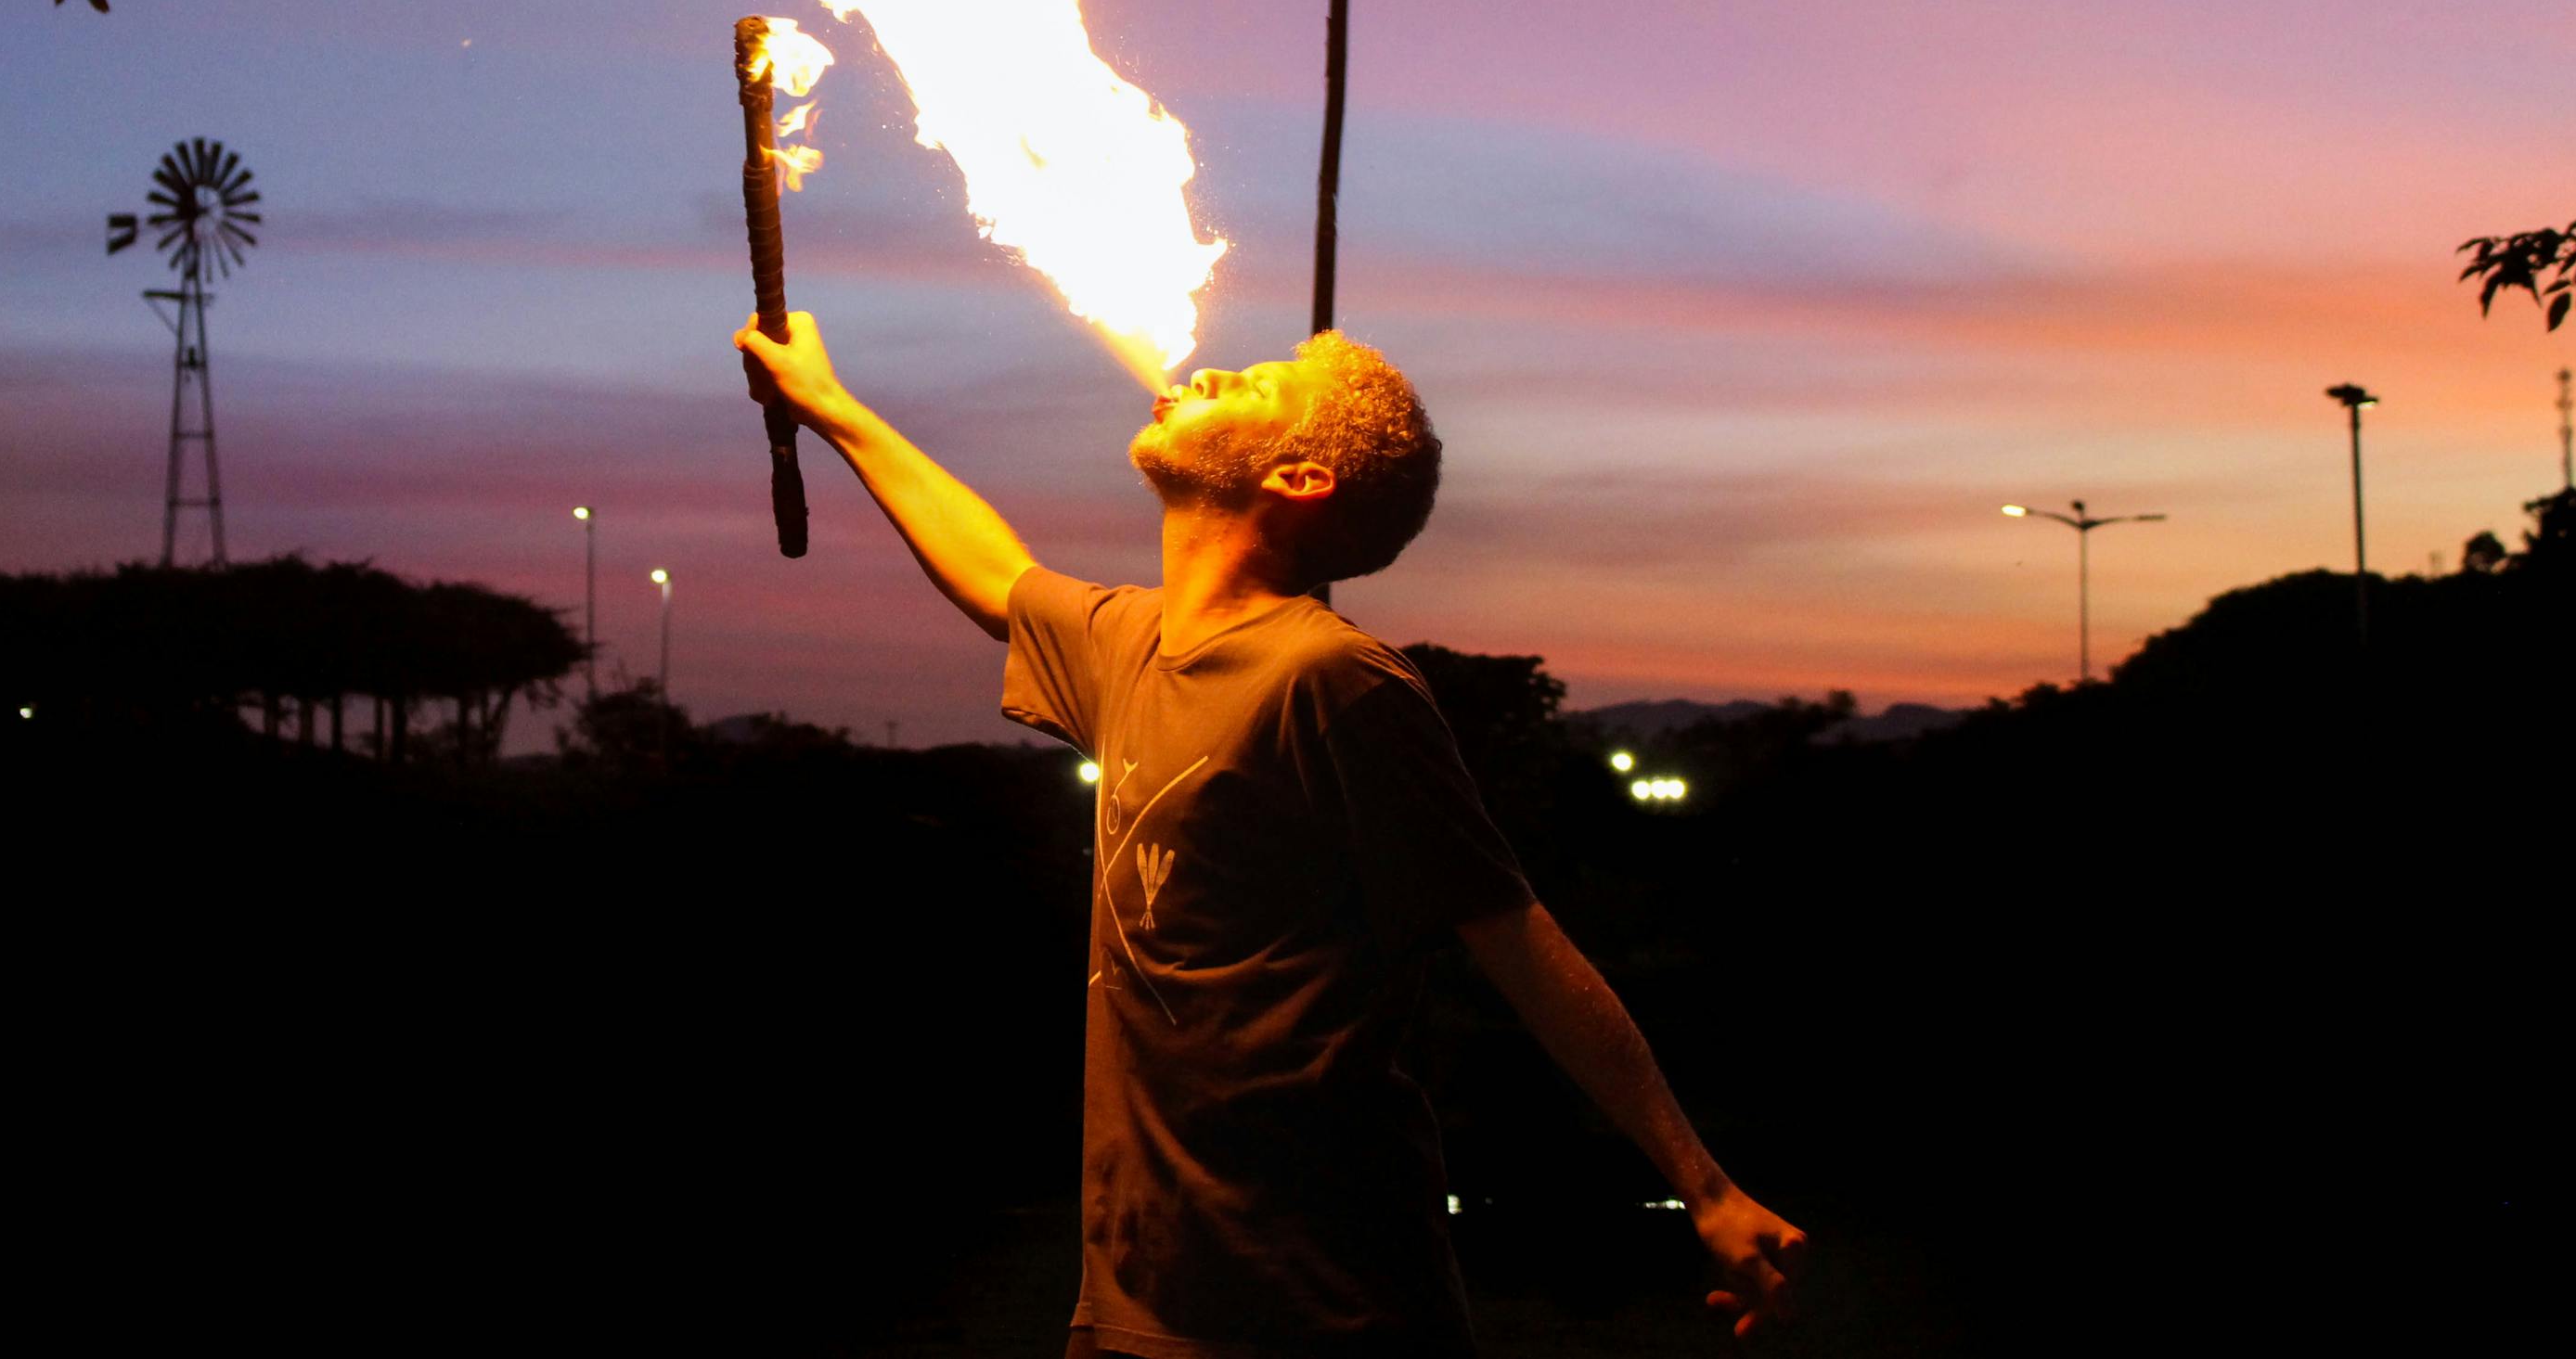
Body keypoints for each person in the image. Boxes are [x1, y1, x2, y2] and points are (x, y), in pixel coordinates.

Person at [736, 314, 1805, 1356]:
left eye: (1251, 383)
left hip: (1318, 1302)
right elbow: (994, 578)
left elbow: (1514, 938)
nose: (1207, 374)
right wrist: (830, 408)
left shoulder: (1332, 679)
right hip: (1134, 1294)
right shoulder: (1129, 644)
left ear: (1297, 478)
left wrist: (1702, 1188)